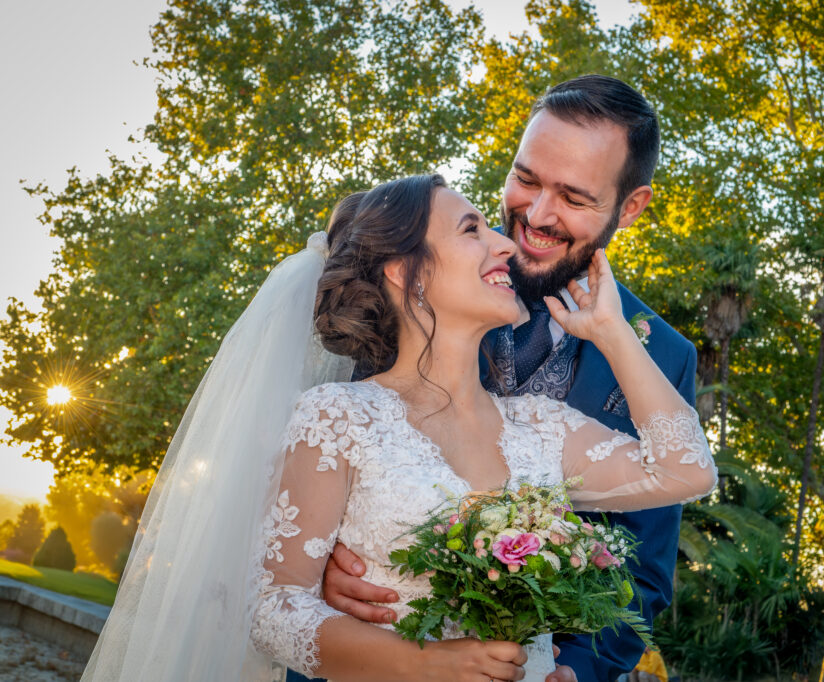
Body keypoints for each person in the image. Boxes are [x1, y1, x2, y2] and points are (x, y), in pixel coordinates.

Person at [83, 172, 715, 681]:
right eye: (473, 230)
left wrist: (610, 332)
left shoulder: (544, 428)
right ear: (402, 270)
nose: (504, 243)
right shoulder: (338, 417)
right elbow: (273, 611)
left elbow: (687, 471)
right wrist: (428, 666)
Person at [320, 75, 696, 681]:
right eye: (525, 178)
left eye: (574, 197)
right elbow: (303, 462)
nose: (537, 216)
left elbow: (645, 572)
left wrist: (574, 671)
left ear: (630, 207)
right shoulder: (414, 271)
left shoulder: (665, 357)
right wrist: (324, 562)